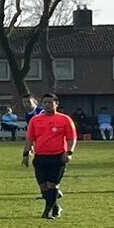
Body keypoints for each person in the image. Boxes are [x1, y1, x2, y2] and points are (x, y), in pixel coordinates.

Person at [25, 92, 79, 220]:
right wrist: (25, 154)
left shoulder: (64, 119)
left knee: (52, 185)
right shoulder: (35, 120)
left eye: (50, 102)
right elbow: (30, 138)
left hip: (58, 157)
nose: (47, 105)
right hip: (40, 157)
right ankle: (55, 207)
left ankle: (47, 212)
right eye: (45, 103)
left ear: (56, 104)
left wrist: (69, 153)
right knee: (43, 187)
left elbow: (72, 138)